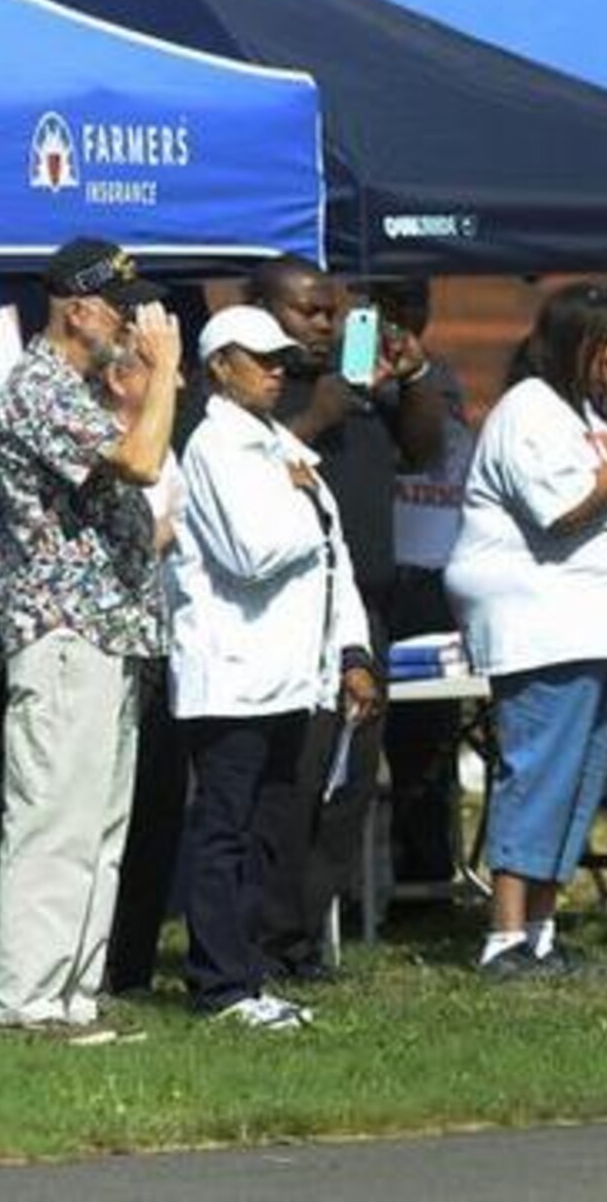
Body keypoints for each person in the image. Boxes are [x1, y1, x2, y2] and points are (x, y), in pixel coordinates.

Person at [445, 283, 607, 978]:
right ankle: (504, 936)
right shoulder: (528, 410)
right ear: (574, 344)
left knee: (579, 780)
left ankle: (541, 930)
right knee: (540, 771)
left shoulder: (589, 417)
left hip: (597, 626)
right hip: (545, 624)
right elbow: (561, 508)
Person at [169, 305, 381, 1027]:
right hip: (232, 673)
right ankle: (218, 982)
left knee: (270, 828)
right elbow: (251, 554)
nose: (276, 370)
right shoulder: (213, 445)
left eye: (280, 358)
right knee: (224, 827)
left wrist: (352, 651)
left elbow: (336, 558)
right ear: (218, 365)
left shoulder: (278, 445)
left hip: (290, 672)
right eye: (259, 358)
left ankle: (251, 973)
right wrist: (302, 508)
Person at [0, 238, 180, 1030]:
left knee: (100, 826)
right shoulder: (39, 385)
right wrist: (165, 371)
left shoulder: (79, 390)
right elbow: (142, 461)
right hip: (64, 631)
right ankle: (26, 996)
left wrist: (142, 384)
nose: (136, 324)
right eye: (123, 307)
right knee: (53, 820)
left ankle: (72, 993)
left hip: (107, 632)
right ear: (79, 306)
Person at [249, 256, 444, 976]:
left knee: (350, 784)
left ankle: (305, 940)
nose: (326, 324)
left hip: (368, 612)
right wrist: (315, 415)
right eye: (308, 311)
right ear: (264, 310)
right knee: (295, 783)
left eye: (332, 311)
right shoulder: (258, 393)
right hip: (294, 617)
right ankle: (266, 939)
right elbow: (242, 484)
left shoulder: (362, 385)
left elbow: (422, 451)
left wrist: (415, 379)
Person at [375, 278, 476, 893]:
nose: (405, 318)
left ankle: (427, 869)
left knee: (429, 741)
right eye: (390, 303)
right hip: (383, 574)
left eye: (416, 303)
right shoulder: (353, 383)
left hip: (436, 581)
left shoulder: (436, 378)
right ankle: (361, 878)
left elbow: (434, 447)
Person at [100, 343, 191, 998]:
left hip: (163, 647)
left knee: (156, 812)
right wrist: (160, 530)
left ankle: (129, 965)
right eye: (161, 368)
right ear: (119, 377)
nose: (177, 381)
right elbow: (140, 537)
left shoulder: (171, 450)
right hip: (104, 650)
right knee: (96, 814)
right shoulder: (100, 442)